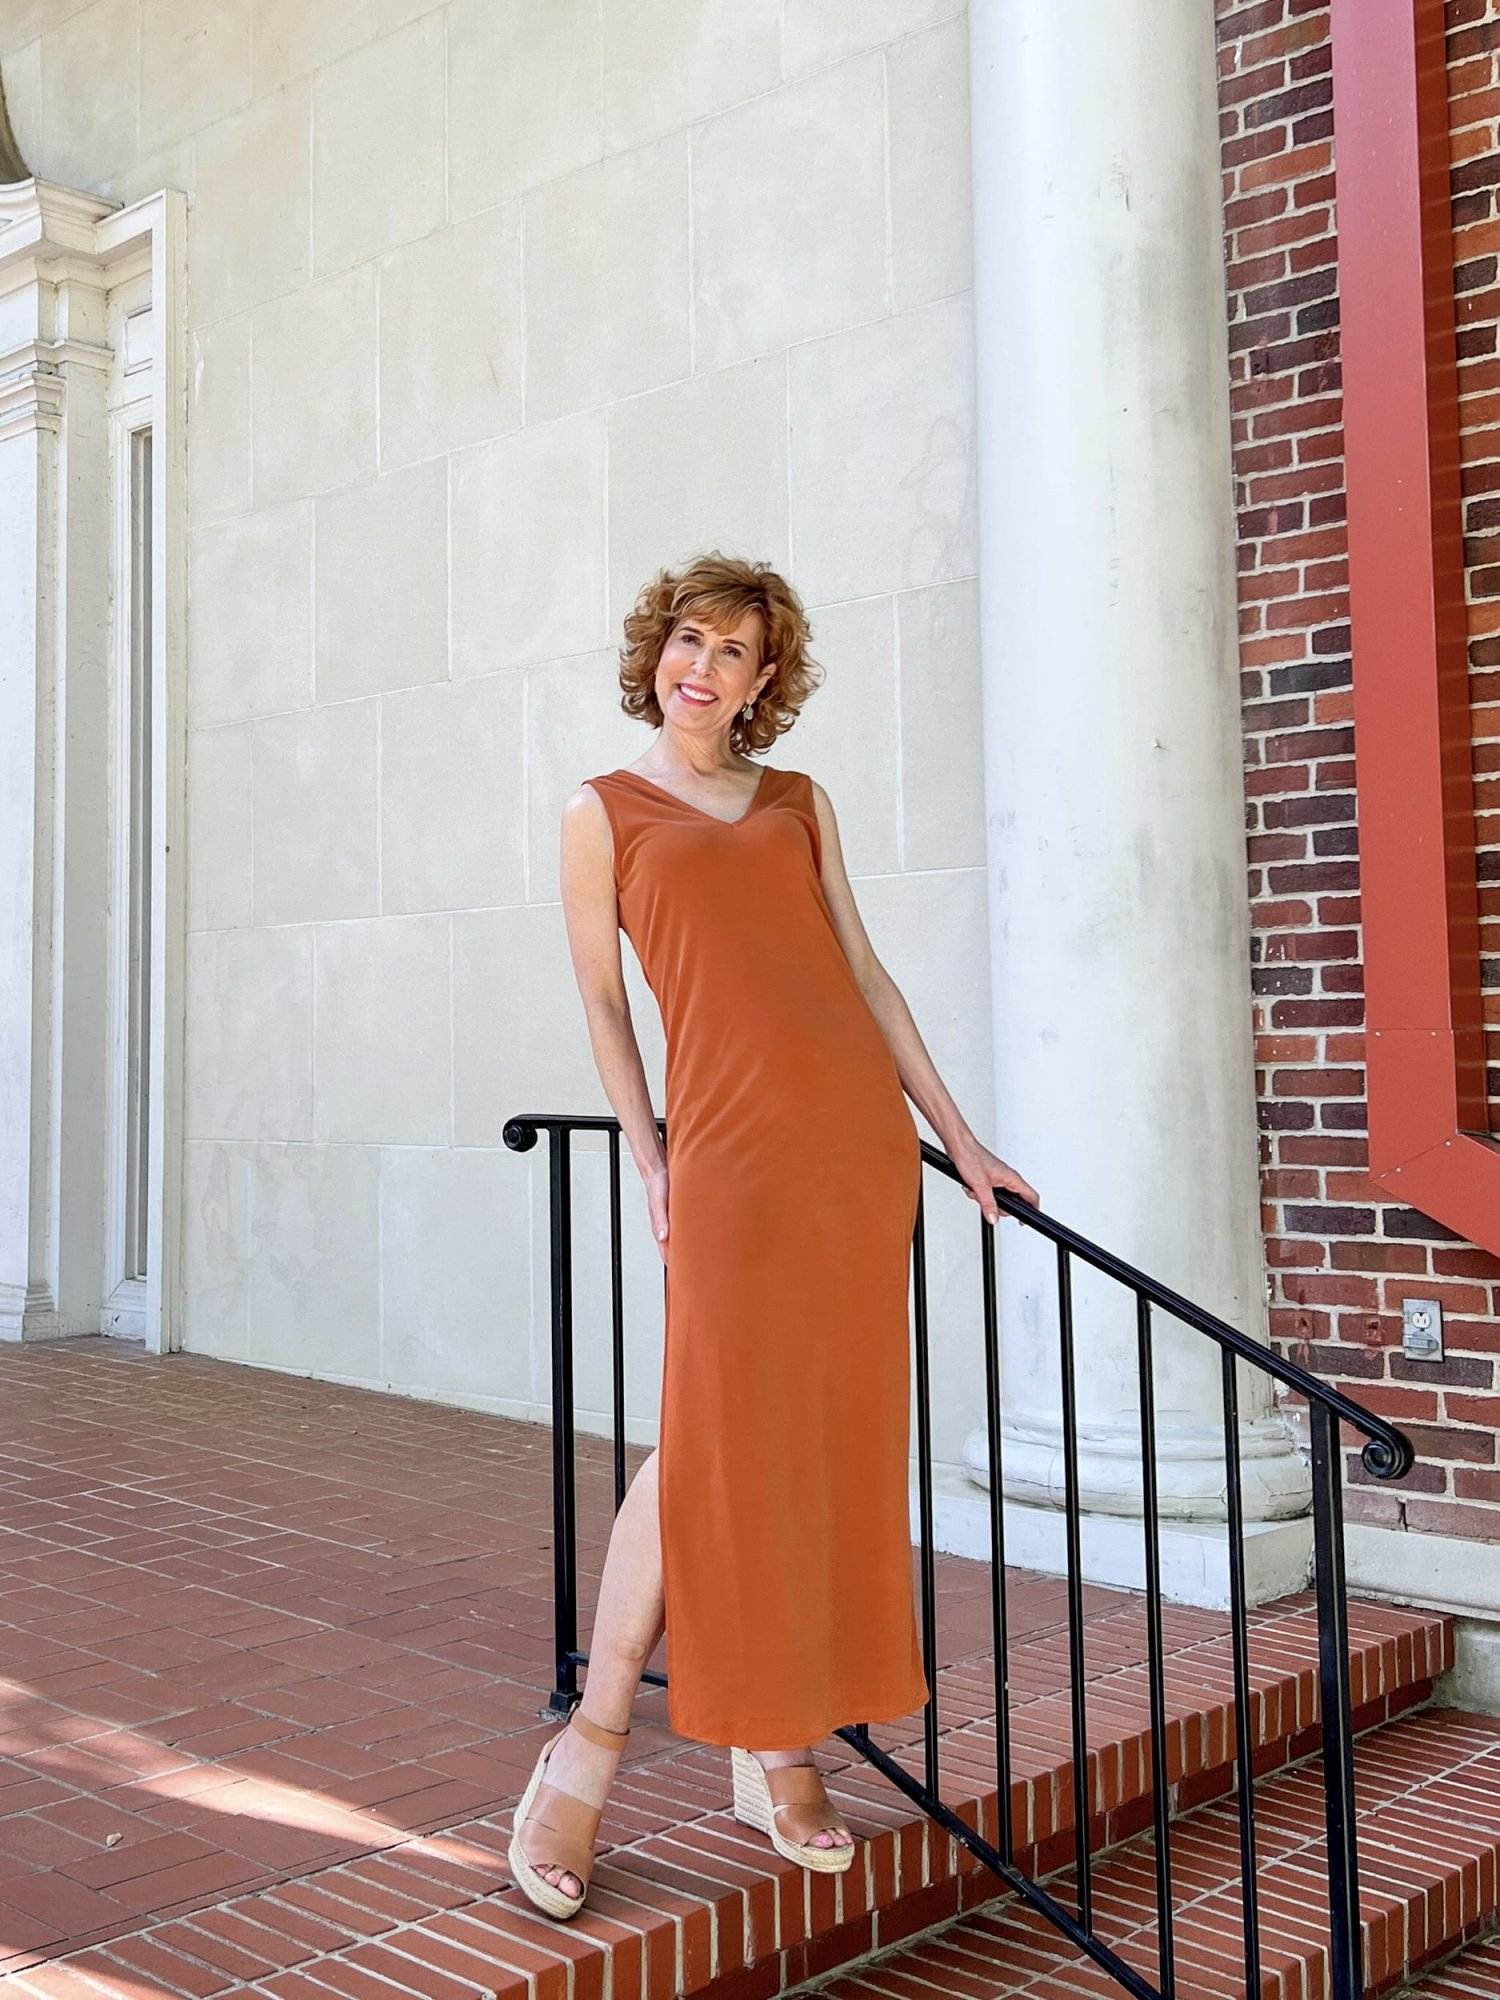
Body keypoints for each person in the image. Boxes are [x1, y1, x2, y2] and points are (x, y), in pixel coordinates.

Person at [510, 552, 1039, 1920]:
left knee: (820, 1446)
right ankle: (590, 1749)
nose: (705, 668)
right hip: (731, 1162)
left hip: (852, 1154)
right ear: (659, 653)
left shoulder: (799, 805)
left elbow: (861, 972)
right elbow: (608, 1009)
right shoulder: (604, 811)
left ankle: (780, 1743)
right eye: (691, 640)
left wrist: (959, 1138)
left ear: (762, 683)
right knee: (708, 1446)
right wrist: (649, 1148)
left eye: (736, 653)